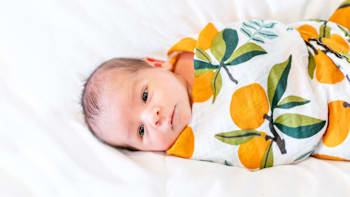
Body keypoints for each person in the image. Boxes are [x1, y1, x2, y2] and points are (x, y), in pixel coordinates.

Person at [82, 0, 350, 170]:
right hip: (334, 110)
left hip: (318, 44)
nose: (153, 117)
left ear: (157, 64)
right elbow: (259, 149)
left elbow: (263, 37)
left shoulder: (198, 50)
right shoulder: (196, 145)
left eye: (144, 95)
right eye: (140, 131)